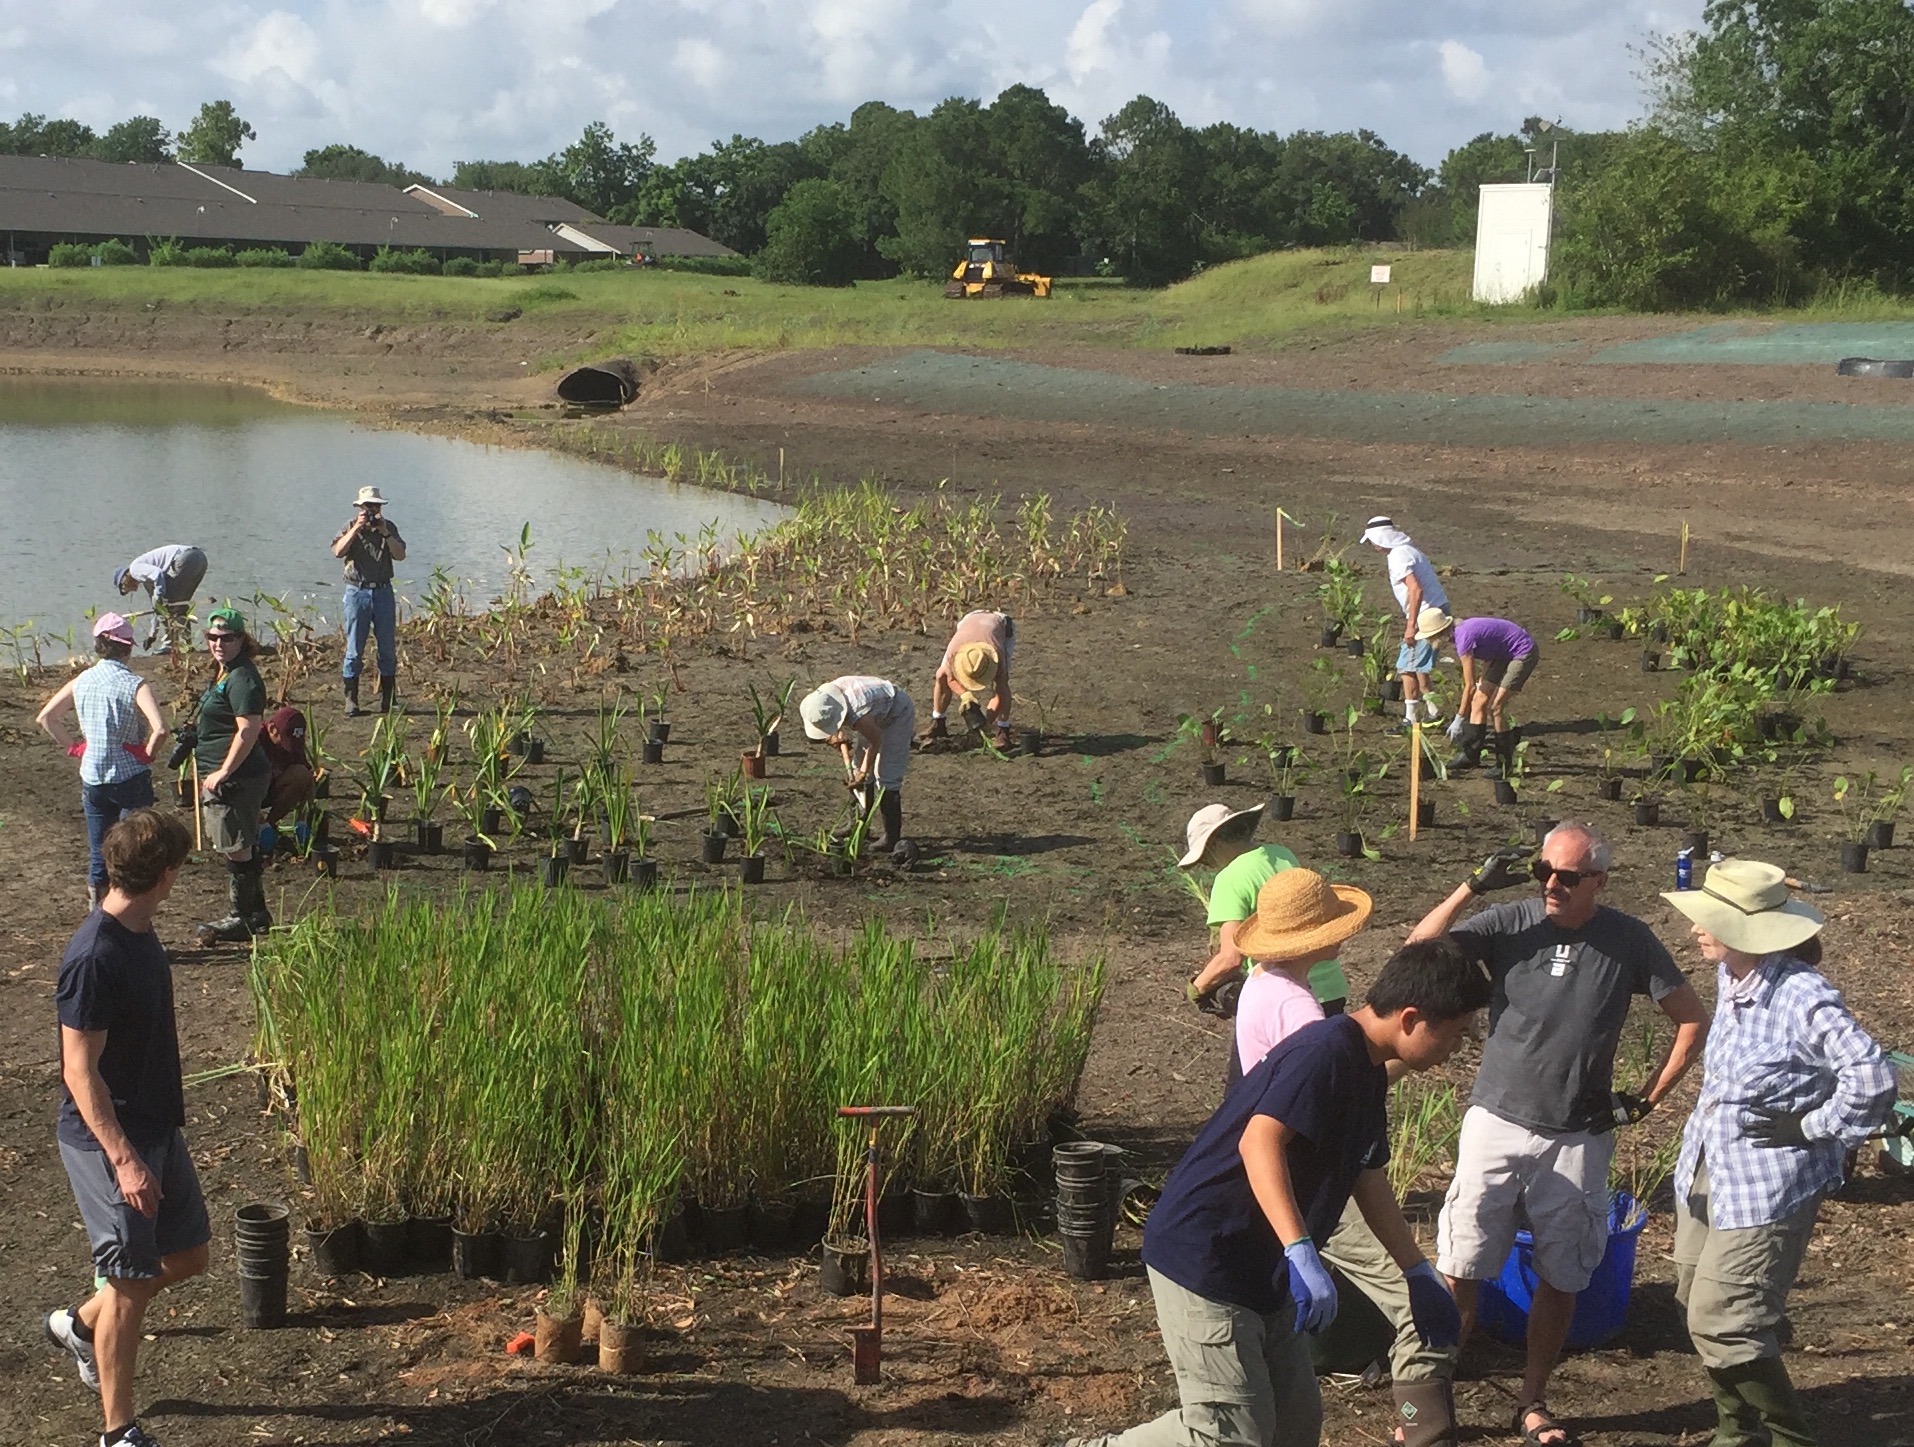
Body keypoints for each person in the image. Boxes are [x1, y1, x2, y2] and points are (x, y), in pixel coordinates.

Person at [1065, 938, 1489, 1447]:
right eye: (1456, 1035)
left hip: (1262, 1268)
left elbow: (1365, 1173)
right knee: (1224, 1435)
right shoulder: (1326, 1050)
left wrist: (1415, 1271)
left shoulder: (1368, 1069)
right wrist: (1301, 1249)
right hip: (1207, 1253)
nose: (1456, 1051)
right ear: (1411, 1018)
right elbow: (1259, 1140)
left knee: (1293, 1430)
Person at [1406, 823, 1709, 1447]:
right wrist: (1469, 887)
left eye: (1567, 877)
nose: (1551, 884)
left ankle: (1532, 1400)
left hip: (1578, 1138)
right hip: (1494, 1122)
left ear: (1598, 881)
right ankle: (1430, 1401)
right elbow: (1415, 957)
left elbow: (1690, 1020)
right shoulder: (1509, 922)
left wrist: (1644, 1102)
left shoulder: (1628, 939)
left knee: (1563, 1275)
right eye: (1543, 870)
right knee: (1461, 1267)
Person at [1662, 860, 1896, 1447]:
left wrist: (1814, 1126)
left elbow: (1872, 1079)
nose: (1695, 929)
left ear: (1747, 930)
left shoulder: (1800, 993)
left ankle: (1790, 1438)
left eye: (1710, 920)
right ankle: (1737, 1430)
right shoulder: (1734, 976)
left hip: (1767, 1186)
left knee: (1726, 1320)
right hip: (1713, 1168)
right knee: (1694, 1298)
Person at [45, 808, 210, 1447]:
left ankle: (82, 1326)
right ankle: (120, 1433)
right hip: (107, 1140)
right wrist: (125, 1159)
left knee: (189, 1256)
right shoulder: (94, 955)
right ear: (166, 874)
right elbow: (80, 1073)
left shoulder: (140, 930)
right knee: (130, 1283)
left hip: (156, 1127)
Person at [35, 614, 169, 909]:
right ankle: (130, 913)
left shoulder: (81, 680)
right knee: (134, 851)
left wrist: (74, 748)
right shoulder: (135, 684)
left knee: (99, 852)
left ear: (99, 645)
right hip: (131, 776)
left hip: (93, 776)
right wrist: (148, 753)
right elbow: (160, 729)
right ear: (128, 648)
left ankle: (99, 917)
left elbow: (47, 718)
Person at [1181, 804, 1349, 1018]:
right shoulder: (1282, 854)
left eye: (1205, 857)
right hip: (1329, 987)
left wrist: (1198, 987)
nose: (1208, 864)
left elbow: (1232, 957)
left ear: (1214, 844)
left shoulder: (1229, 879)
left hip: (1286, 997)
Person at [191, 607, 274, 944]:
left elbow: (248, 729)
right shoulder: (225, 671)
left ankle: (241, 916)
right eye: (213, 637)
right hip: (227, 773)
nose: (219, 643)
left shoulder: (243, 678)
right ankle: (257, 913)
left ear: (243, 639)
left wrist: (224, 771)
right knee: (242, 843)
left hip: (236, 777)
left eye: (227, 638)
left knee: (234, 844)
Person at [800, 676, 916, 856]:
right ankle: (857, 823)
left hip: (896, 713)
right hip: (874, 713)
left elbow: (874, 741)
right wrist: (835, 737)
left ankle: (891, 838)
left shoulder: (858, 713)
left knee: (886, 776)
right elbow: (835, 716)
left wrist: (864, 772)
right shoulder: (828, 695)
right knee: (855, 769)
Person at [1414, 609, 1539, 777]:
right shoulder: (1461, 633)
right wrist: (1484, 680)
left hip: (1522, 651)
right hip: (1500, 653)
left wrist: (1459, 718)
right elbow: (1491, 647)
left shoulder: (1463, 637)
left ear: (1439, 633)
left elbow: (1469, 686)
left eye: (1429, 637)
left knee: (1496, 707)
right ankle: (1471, 755)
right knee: (1479, 700)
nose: (1429, 641)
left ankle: (1504, 764)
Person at [1361, 517, 1448, 733]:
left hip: (1427, 616)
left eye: (1372, 541)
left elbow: (1415, 590)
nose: (1372, 546)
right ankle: (1434, 712)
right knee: (1419, 666)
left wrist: (1411, 626)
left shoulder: (1398, 556)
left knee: (1406, 666)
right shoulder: (1409, 551)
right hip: (1435, 611)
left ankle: (1411, 721)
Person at [331, 485, 406, 717]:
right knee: (354, 648)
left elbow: (400, 555)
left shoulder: (388, 527)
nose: (372, 510)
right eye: (368, 506)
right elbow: (337, 552)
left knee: (387, 648)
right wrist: (356, 529)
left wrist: (384, 532)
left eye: (376, 506)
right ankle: (351, 700)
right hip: (357, 592)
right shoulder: (349, 526)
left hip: (383, 592)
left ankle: (388, 699)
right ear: (360, 507)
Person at [928, 609, 1014, 749]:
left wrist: (984, 724)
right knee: (940, 675)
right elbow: (949, 678)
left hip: (1001, 625)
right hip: (970, 620)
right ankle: (938, 722)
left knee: (1002, 684)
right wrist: (965, 695)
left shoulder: (996, 654)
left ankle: (1002, 730)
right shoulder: (954, 650)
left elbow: (1000, 690)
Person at [114, 544, 208, 651]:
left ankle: (169, 644)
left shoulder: (134, 570)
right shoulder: (147, 580)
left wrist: (159, 596)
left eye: (125, 588)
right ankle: (188, 645)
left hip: (185, 559)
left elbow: (158, 574)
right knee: (179, 606)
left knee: (167, 604)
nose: (131, 590)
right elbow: (157, 610)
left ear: (124, 579)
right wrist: (152, 635)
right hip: (200, 558)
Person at [261, 705, 316, 827]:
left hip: (271, 789)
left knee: (301, 774)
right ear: (272, 729)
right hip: (248, 793)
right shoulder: (254, 739)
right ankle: (257, 826)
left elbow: (307, 779)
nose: (289, 748)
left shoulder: (294, 746)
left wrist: (303, 818)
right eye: (285, 741)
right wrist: (259, 821)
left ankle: (270, 824)